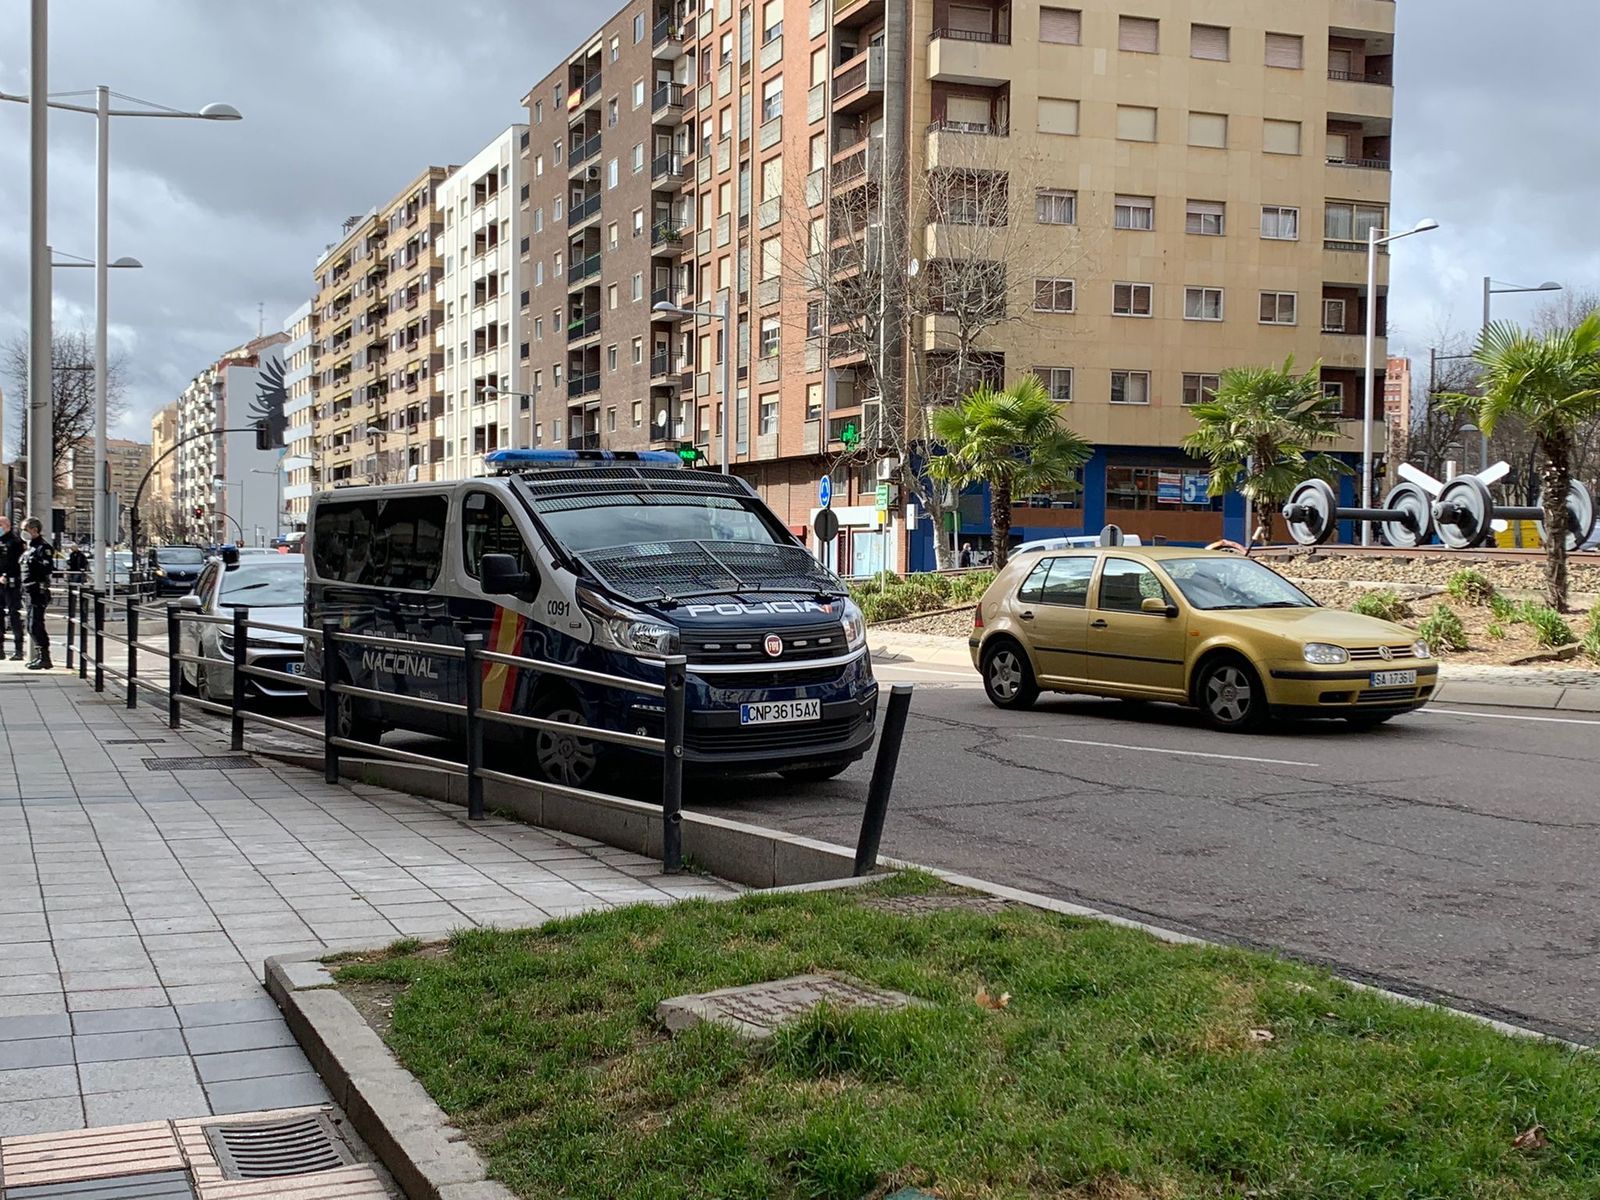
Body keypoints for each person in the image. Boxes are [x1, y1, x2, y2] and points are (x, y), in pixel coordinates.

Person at [21, 517, 54, 670]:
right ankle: (41, 656)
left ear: (34, 530)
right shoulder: (30, 548)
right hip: (29, 591)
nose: (23, 533)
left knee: (35, 625)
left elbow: (47, 568)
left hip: (37, 591)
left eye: (25, 529)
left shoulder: (42, 547)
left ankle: (44, 657)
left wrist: (34, 562)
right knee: (30, 625)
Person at [0, 517, 23, 660]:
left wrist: (6, 575)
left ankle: (18, 650)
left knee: (14, 614)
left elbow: (16, 563)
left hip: (11, 582)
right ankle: (0, 649)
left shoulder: (15, 542)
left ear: (7, 525)